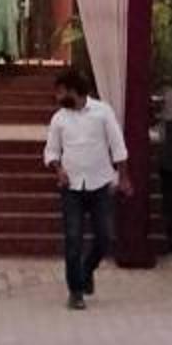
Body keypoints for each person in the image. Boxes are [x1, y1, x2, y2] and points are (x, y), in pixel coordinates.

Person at [42, 68, 127, 310]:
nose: (58, 97)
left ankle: (86, 270)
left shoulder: (102, 111)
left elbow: (118, 146)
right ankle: (75, 291)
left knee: (104, 237)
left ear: (73, 90)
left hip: (100, 184)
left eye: (61, 92)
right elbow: (51, 151)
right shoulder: (59, 118)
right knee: (73, 239)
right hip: (71, 187)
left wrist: (123, 177)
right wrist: (58, 170)